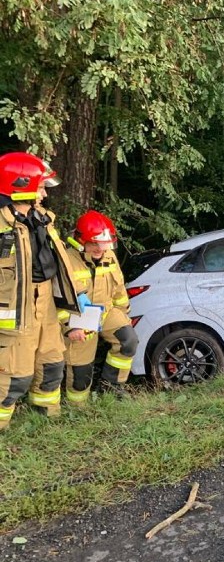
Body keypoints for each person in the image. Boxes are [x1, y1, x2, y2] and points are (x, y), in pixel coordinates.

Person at [0, 152, 81, 429]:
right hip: (16, 305)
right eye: (41, 187)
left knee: (52, 362)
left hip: (45, 298)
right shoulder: (2, 226)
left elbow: (59, 261)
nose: (45, 194)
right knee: (14, 375)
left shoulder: (42, 219)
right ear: (21, 187)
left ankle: (48, 419)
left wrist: (75, 297)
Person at [59, 210, 137, 402]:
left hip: (107, 312)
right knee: (80, 374)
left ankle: (111, 388)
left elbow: (119, 289)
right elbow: (56, 301)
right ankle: (77, 409)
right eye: (95, 243)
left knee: (128, 340)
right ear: (80, 241)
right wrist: (69, 327)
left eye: (104, 244)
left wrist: (124, 314)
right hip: (78, 318)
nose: (100, 249)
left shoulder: (109, 256)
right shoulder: (66, 261)